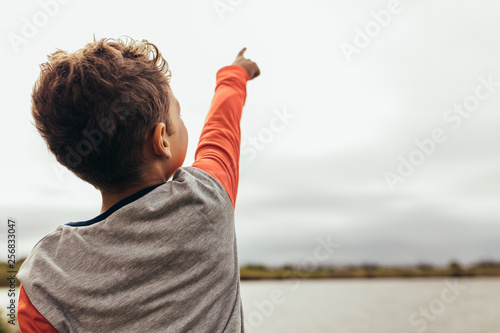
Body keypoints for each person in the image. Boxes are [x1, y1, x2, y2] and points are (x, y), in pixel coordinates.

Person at [16, 36, 260, 332]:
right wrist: (234, 75)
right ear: (161, 141)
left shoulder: (46, 275)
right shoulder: (207, 199)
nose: (183, 121)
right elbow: (220, 134)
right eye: (178, 114)